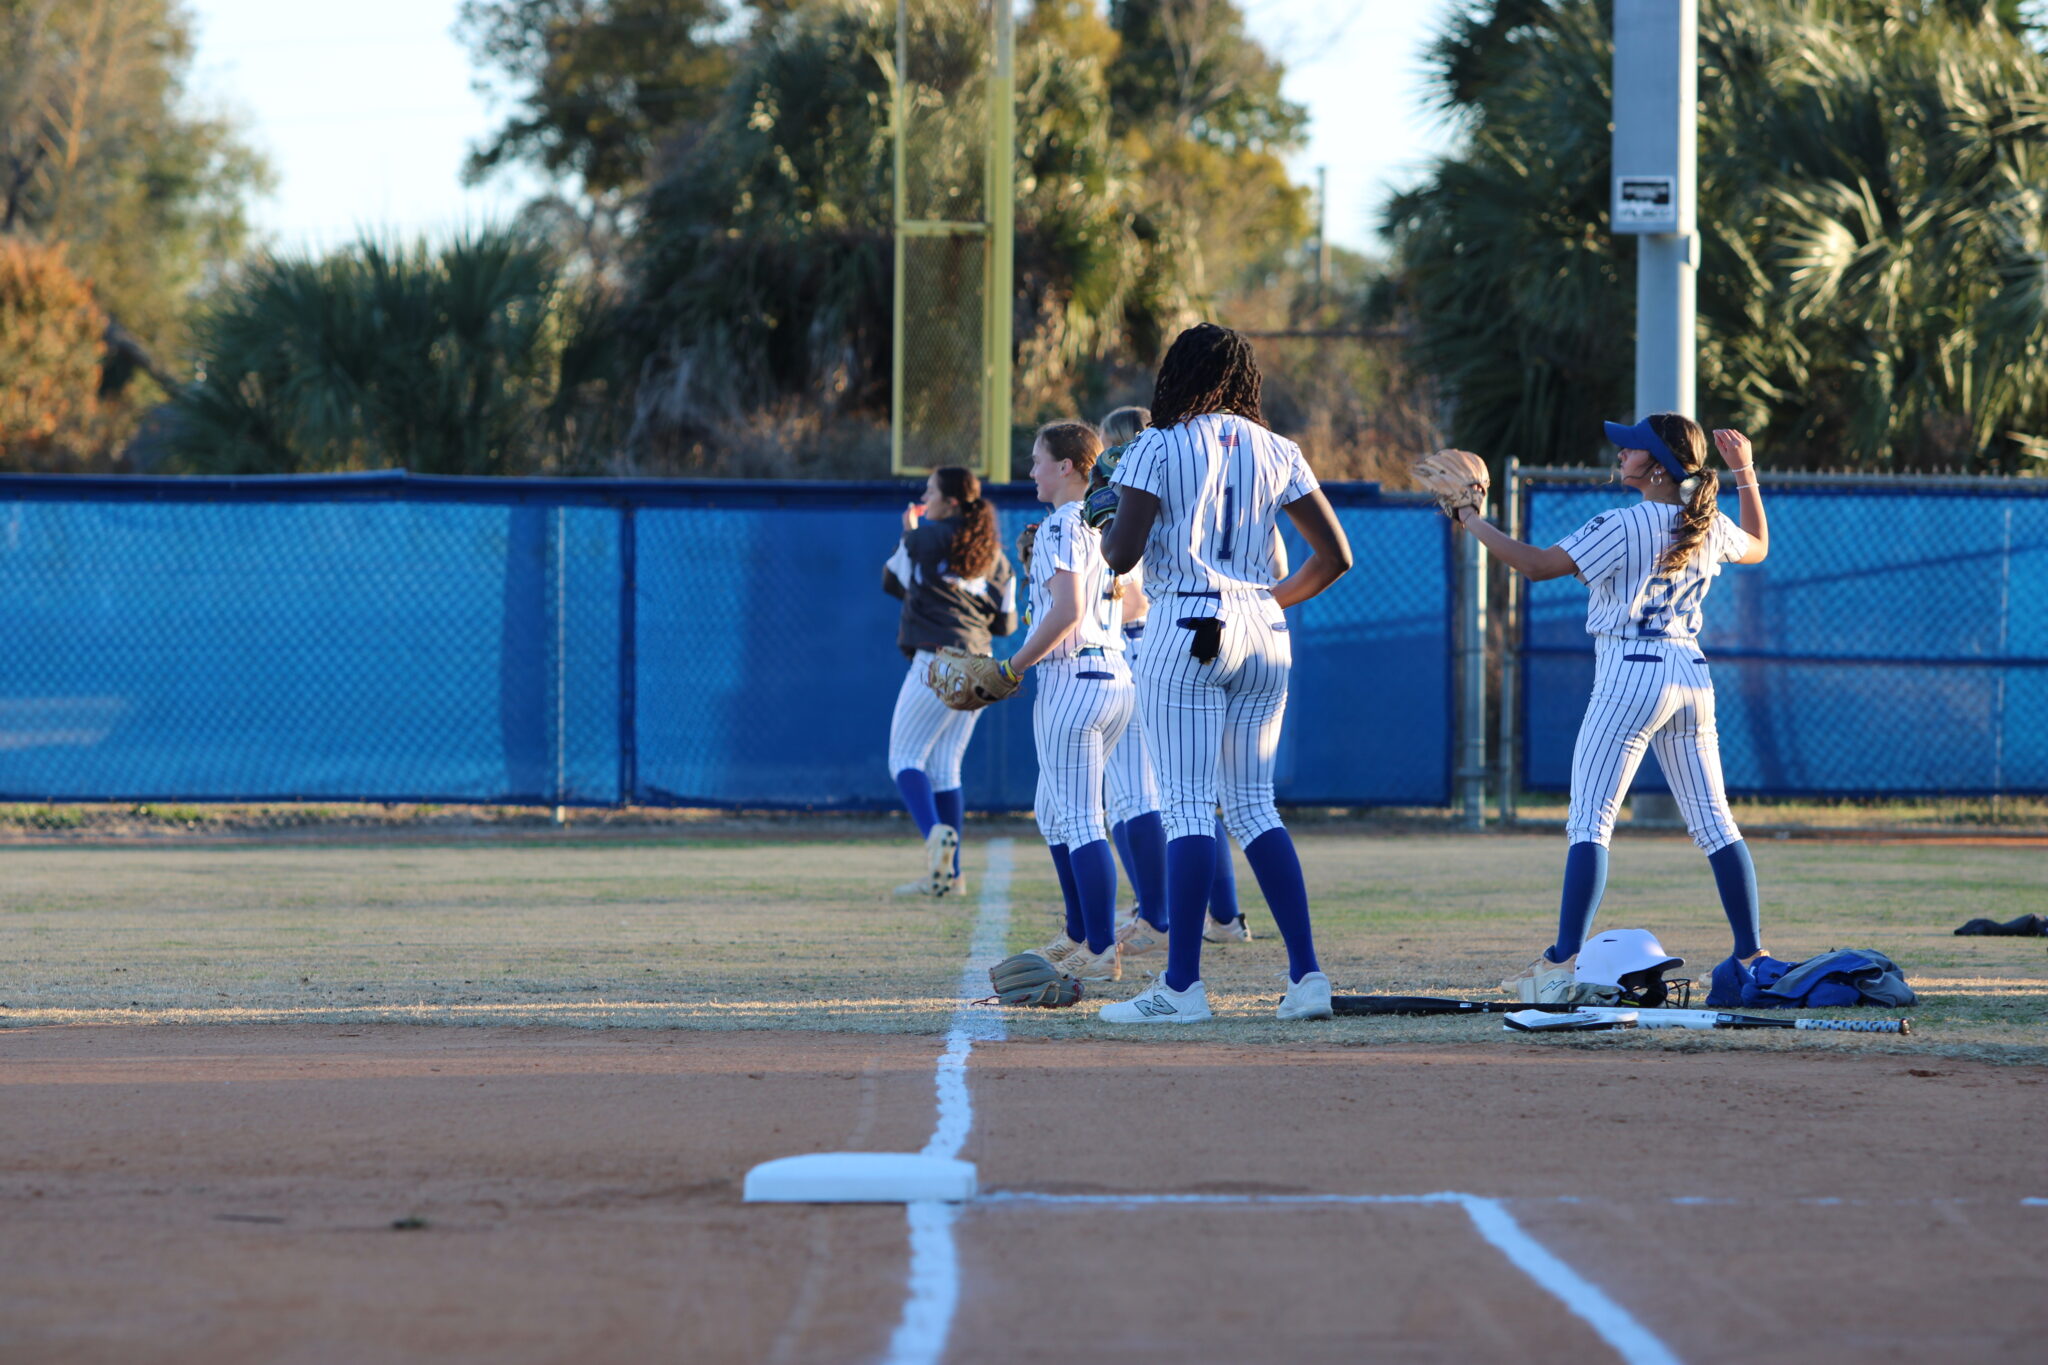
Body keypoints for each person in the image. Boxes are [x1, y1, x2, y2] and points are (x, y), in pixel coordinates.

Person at [1447, 415, 1773, 1004]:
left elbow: (1535, 565)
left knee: (1590, 821)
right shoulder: (1707, 523)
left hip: (1629, 672)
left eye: (1634, 447)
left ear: (1655, 466)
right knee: (1715, 823)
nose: (1621, 452)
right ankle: (1752, 955)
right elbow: (1760, 547)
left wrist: (1469, 519)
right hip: (1691, 676)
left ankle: (1562, 961)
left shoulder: (1625, 523)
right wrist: (1745, 471)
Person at [1093, 323, 1355, 1022]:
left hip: (1187, 623)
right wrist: (1270, 600)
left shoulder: (1158, 443)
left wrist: (1106, 511)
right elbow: (1335, 557)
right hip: (1263, 626)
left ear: (1180, 374)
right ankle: (1307, 979)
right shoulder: (1279, 449)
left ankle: (1182, 988)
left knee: (1185, 806)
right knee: (1253, 806)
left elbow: (1120, 556)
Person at [1094, 404, 1248, 960]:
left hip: (1147, 641)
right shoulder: (1206, 488)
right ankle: (1224, 916)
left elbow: (1124, 586)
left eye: (1110, 446)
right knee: (1202, 795)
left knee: (1142, 794)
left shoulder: (1140, 491)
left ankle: (1154, 913)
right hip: (1234, 633)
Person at [995, 421, 1140, 982]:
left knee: (1080, 820)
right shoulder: (1110, 521)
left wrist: (1014, 664)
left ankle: (1100, 948)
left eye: (1038, 460)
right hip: (1114, 677)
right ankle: (1080, 933)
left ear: (1069, 466)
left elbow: (1066, 613)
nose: (1031, 470)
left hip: (1071, 680)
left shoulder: (1060, 524)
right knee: (1054, 812)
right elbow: (1127, 606)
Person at [881, 465, 1016, 897]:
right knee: (944, 766)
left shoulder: (923, 538)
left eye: (931, 490)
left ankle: (934, 835)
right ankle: (952, 877)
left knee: (904, 758)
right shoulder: (995, 555)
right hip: (980, 663)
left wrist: (910, 532)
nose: (925, 495)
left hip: (936, 658)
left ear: (951, 501)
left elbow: (892, 581)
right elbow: (1007, 623)